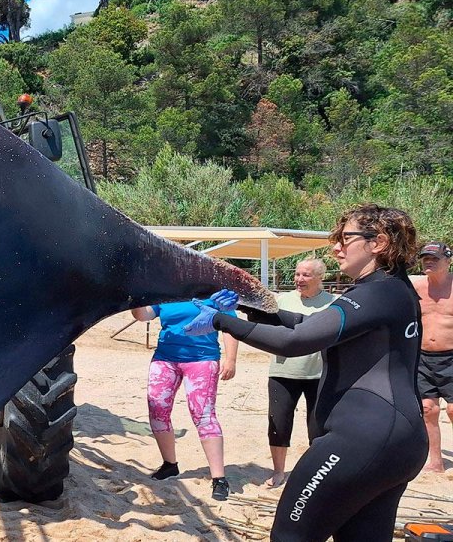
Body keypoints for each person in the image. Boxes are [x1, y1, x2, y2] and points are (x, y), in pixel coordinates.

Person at [182, 204, 425, 542]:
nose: (336, 247)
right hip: (397, 442)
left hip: (362, 440)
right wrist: (248, 306)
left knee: (289, 537)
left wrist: (221, 321)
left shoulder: (376, 292)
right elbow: (309, 325)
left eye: (345, 238)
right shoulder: (394, 290)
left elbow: (297, 341)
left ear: (379, 242)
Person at [129, 299, 240, 501]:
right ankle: (170, 464)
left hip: (202, 358)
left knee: (203, 415)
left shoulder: (212, 289)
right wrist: (135, 299)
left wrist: (230, 359)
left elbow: (229, 326)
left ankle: (219, 478)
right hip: (165, 358)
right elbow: (144, 315)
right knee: (157, 409)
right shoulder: (165, 289)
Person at [264, 258, 335, 487]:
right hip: (283, 372)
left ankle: (316, 472)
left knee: (318, 425)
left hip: (319, 374)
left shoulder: (334, 303)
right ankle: (278, 471)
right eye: (297, 274)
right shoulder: (282, 301)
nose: (299, 279)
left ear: (320, 277)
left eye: (305, 275)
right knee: (279, 423)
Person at [412, 241, 453, 472]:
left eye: (434, 258)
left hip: (451, 358)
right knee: (428, 409)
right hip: (423, 358)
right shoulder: (416, 289)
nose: (428, 262)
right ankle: (435, 462)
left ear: (448, 260)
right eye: (426, 258)